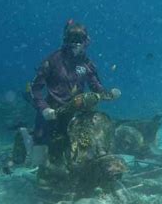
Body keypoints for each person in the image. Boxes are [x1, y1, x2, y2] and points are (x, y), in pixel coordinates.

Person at [28, 20, 121, 166]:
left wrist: (109, 94)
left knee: (89, 138)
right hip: (54, 110)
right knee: (41, 144)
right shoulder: (52, 61)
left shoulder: (87, 63)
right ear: (66, 40)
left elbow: (95, 86)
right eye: (72, 40)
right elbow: (35, 88)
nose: (76, 44)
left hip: (77, 110)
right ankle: (37, 155)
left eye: (80, 40)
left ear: (86, 41)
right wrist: (44, 108)